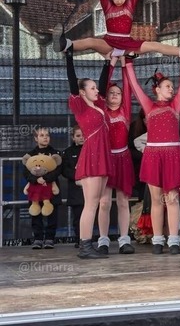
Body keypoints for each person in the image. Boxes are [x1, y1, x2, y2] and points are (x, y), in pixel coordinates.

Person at [124, 57, 180, 255]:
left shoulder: (175, 106)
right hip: (154, 155)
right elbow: (135, 87)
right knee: (156, 200)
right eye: (168, 86)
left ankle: (174, 240)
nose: (172, 89)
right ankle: (158, 240)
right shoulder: (149, 107)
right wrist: (128, 64)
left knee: (172, 199)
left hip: (172, 156)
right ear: (157, 89)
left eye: (172, 86)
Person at [65, 49, 112, 259]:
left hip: (102, 156)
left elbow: (103, 84)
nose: (96, 90)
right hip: (92, 157)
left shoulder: (99, 105)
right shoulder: (80, 107)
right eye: (91, 88)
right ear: (82, 92)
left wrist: (107, 63)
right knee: (91, 204)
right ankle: (85, 246)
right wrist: (69, 57)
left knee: (97, 201)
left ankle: (88, 245)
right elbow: (72, 83)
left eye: (95, 87)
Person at [96, 56, 136, 255]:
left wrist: (123, 63)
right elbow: (102, 89)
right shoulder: (101, 111)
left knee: (122, 201)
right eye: (111, 92)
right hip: (106, 159)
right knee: (103, 202)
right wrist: (110, 64)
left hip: (123, 159)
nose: (115, 95)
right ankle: (103, 240)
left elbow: (128, 87)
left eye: (118, 93)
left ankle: (124, 240)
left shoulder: (125, 112)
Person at [23, 127, 62, 250]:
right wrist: (36, 179)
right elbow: (26, 172)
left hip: (51, 189)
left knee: (52, 214)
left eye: (47, 135)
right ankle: (38, 239)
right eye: (42, 135)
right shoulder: (30, 154)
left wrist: (45, 178)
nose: (45, 137)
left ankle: (50, 239)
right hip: (35, 190)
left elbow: (58, 170)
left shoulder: (55, 153)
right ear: (36, 138)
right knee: (36, 214)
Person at [61, 125, 85, 248]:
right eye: (78, 136)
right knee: (78, 217)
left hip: (91, 189)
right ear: (73, 137)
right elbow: (65, 170)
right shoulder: (68, 152)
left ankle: (89, 239)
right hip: (76, 191)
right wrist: (78, 175)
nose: (81, 138)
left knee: (92, 216)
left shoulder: (92, 149)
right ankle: (79, 240)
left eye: (83, 135)